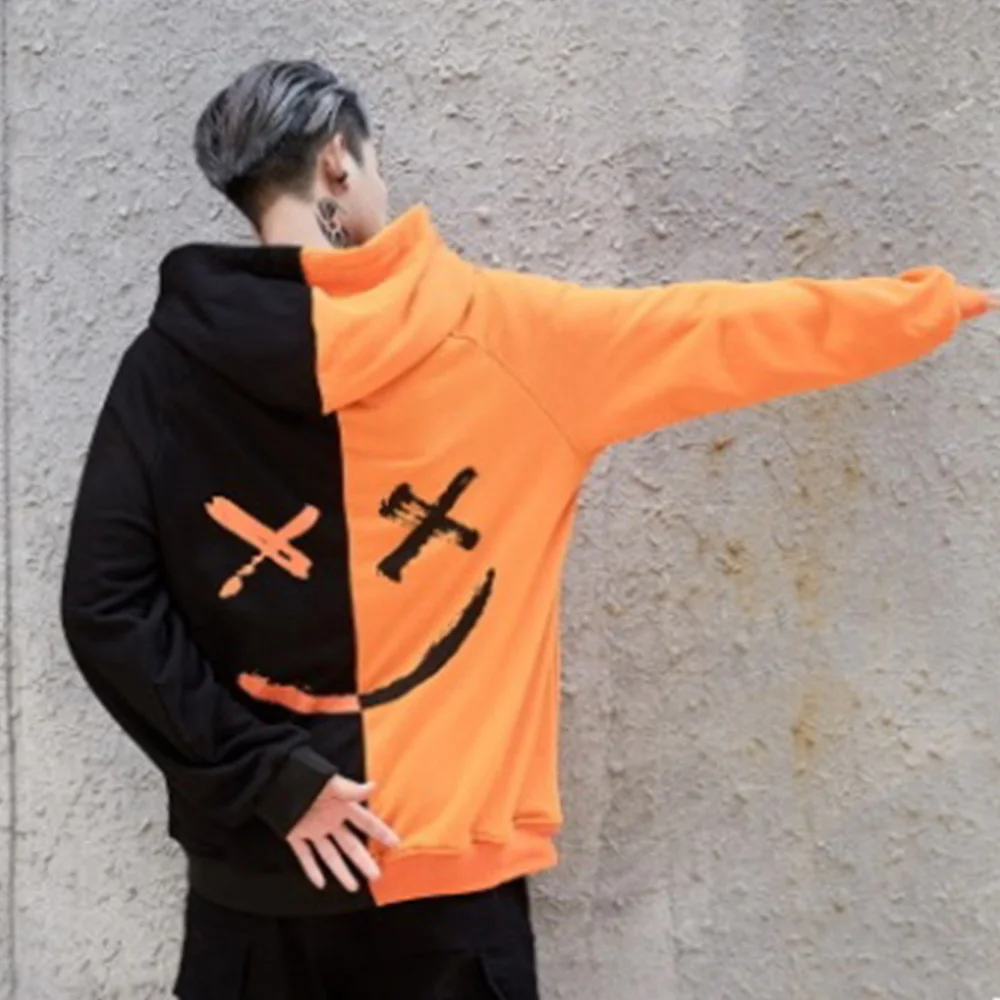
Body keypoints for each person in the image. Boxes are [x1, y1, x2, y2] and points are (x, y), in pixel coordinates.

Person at [59, 58, 996, 1000]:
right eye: (373, 162)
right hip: (448, 904)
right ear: (338, 161)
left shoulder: (164, 371)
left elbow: (106, 607)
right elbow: (717, 330)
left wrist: (266, 776)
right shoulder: (511, 336)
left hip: (252, 901)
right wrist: (925, 307)